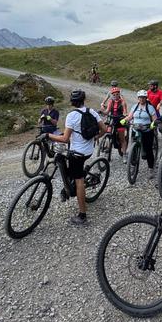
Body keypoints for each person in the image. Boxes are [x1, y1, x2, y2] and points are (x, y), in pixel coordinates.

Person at [47, 89, 106, 225]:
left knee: (78, 179)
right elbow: (104, 129)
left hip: (77, 153)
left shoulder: (71, 115)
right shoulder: (92, 112)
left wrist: (48, 136)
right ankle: (69, 187)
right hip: (89, 150)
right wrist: (96, 137)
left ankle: (82, 215)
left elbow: (65, 139)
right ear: (83, 100)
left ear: (72, 102)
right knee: (71, 166)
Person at [122, 89, 159, 177]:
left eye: (143, 98)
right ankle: (132, 165)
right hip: (135, 129)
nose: (141, 99)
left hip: (147, 130)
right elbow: (130, 116)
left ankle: (151, 168)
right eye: (140, 98)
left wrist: (153, 124)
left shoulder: (150, 107)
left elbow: (155, 119)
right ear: (138, 98)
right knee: (133, 149)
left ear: (146, 98)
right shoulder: (135, 106)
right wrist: (124, 120)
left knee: (148, 150)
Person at [102, 86, 128, 157]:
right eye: (114, 95)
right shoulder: (111, 101)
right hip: (113, 119)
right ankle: (107, 146)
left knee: (122, 138)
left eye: (117, 94)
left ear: (119, 94)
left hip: (120, 121)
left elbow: (125, 111)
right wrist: (102, 112)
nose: (115, 96)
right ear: (112, 95)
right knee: (108, 132)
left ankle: (125, 154)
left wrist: (124, 115)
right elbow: (107, 111)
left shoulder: (122, 102)